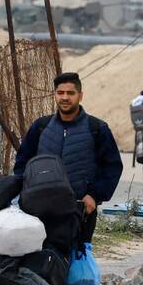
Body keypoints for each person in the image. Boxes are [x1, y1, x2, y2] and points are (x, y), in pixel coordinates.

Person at [14, 72, 123, 245]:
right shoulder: (41, 127)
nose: (65, 97)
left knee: (77, 258)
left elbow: (112, 166)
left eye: (70, 93)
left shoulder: (97, 128)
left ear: (80, 95)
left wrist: (94, 196)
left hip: (80, 210)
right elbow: (22, 162)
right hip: (40, 209)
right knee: (40, 256)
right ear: (55, 95)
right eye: (60, 93)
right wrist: (24, 193)